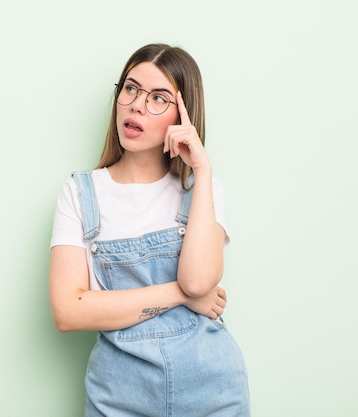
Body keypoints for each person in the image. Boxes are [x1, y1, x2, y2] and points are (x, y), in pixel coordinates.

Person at [48, 43, 250, 416]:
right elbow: (69, 311)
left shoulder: (203, 191)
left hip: (213, 391)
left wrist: (202, 171)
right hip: (118, 396)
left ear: (182, 117)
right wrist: (182, 297)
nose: (137, 105)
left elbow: (198, 280)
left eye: (158, 98)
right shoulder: (80, 193)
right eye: (131, 88)